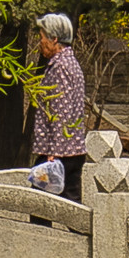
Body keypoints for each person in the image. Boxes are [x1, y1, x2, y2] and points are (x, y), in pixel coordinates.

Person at [31, 13, 87, 204]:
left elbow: (59, 111)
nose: (40, 43)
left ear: (54, 39)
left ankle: (41, 235)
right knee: (71, 205)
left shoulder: (60, 67)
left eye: (42, 38)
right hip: (72, 149)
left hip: (60, 152)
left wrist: (53, 153)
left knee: (42, 205)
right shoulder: (70, 63)